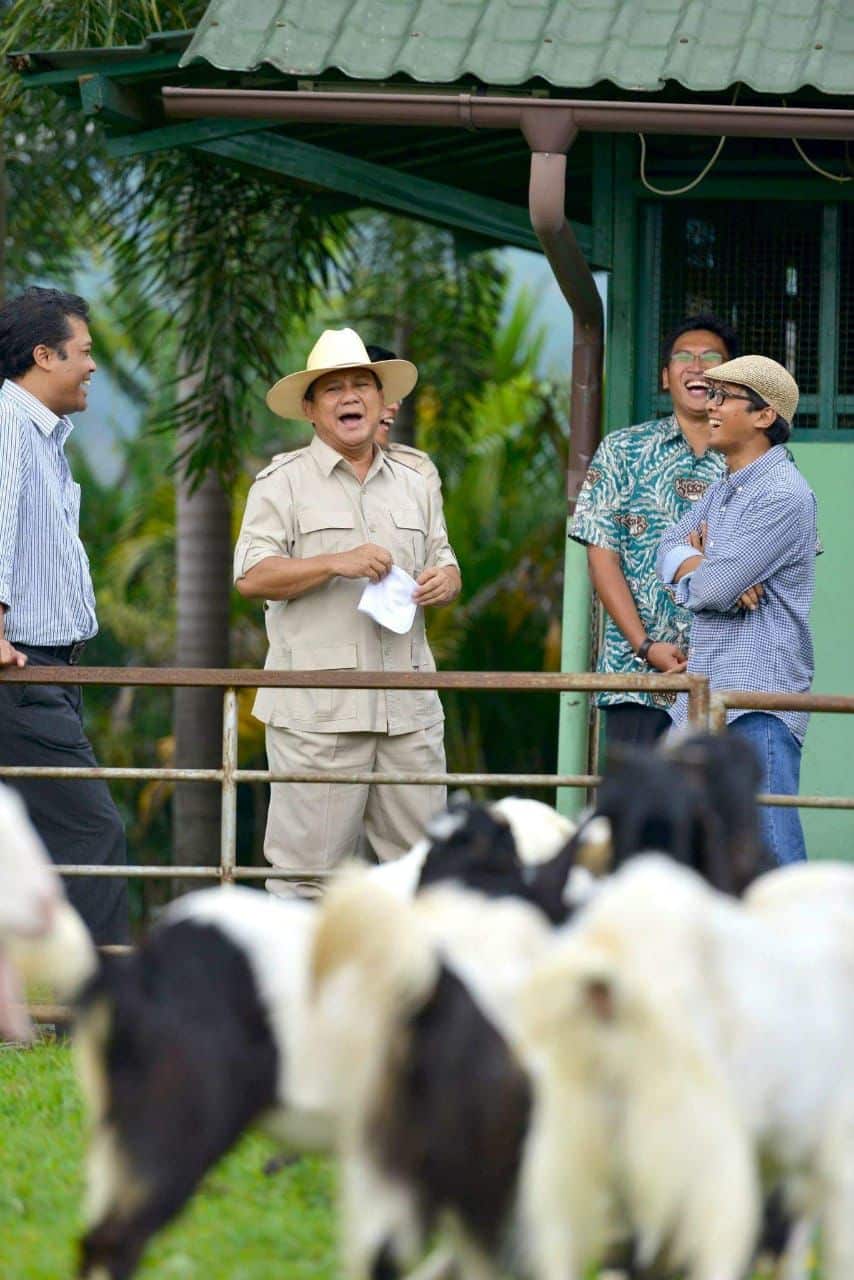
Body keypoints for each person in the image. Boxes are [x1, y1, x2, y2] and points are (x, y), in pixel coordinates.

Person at [234, 327, 461, 897]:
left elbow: (445, 560)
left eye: (363, 384)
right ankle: (299, 988)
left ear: (385, 402)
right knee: (307, 883)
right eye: (332, 389)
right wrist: (336, 562)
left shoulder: (416, 482)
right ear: (309, 409)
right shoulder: (279, 483)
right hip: (319, 715)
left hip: (410, 711)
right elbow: (251, 576)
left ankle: (408, 990)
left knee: (421, 877)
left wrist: (446, 582)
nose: (350, 397)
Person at [0, 286, 129, 945]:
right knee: (92, 832)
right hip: (22, 672)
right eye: (84, 352)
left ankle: (35, 1011)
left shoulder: (43, 436)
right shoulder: (6, 424)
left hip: (50, 676)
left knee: (33, 847)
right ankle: (90, 1013)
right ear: (43, 355)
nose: (94, 365)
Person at [657, 355, 818, 865]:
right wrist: (701, 562)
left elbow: (711, 591)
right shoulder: (725, 487)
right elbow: (666, 545)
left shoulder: (785, 494)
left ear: (764, 416)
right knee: (687, 846)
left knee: (770, 853)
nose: (711, 407)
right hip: (703, 699)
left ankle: (798, 947)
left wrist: (712, 576)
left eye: (724, 397)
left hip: (758, 703)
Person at [569, 313, 738, 747]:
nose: (697, 366)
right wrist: (645, 646)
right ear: (666, 377)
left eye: (711, 358)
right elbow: (601, 555)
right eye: (684, 357)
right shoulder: (622, 450)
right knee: (637, 813)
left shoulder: (757, 460)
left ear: (734, 382)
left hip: (730, 681)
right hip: (637, 680)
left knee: (715, 814)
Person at [365, 343, 443, 504]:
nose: (395, 406)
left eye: (398, 396)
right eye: (384, 395)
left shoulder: (418, 468)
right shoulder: (300, 476)